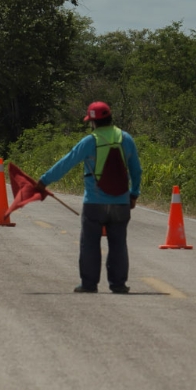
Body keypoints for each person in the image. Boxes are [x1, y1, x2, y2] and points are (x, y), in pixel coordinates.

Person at [37, 101, 143, 294]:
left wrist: (44, 181)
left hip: (94, 203)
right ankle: (118, 284)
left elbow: (67, 162)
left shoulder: (90, 141)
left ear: (93, 122)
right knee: (118, 244)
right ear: (110, 117)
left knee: (90, 243)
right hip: (120, 203)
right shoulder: (126, 139)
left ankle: (89, 284)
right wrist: (134, 194)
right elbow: (136, 170)